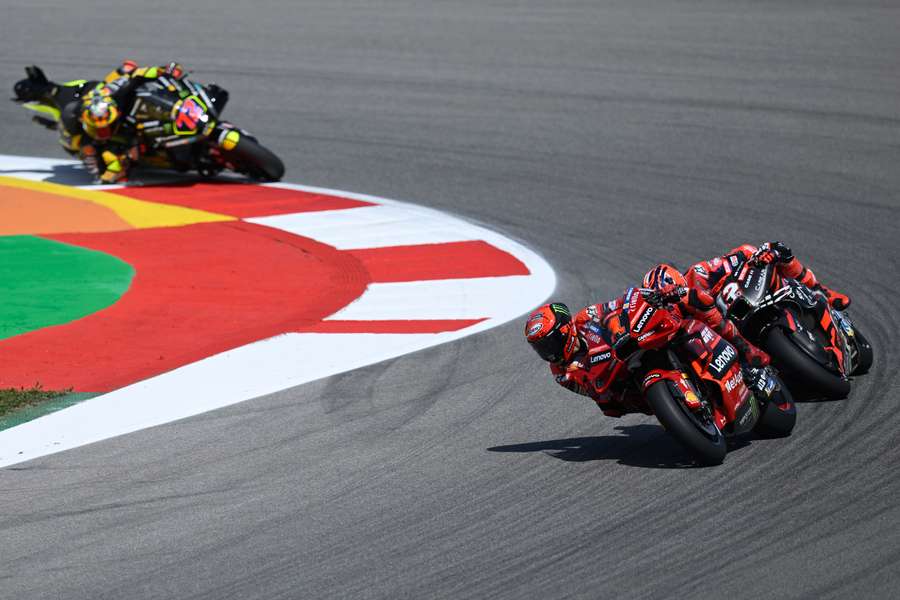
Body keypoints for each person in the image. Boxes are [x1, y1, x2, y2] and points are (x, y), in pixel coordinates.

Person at [524, 301, 647, 417]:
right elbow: (592, 394)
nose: (548, 351)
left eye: (550, 344)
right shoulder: (560, 373)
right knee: (610, 408)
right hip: (614, 380)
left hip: (627, 346)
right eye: (541, 347)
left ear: (565, 330)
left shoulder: (586, 316)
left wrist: (618, 329)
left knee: (611, 317)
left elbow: (622, 303)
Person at [74, 60, 188, 183]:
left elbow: (137, 74)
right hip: (123, 133)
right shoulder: (86, 121)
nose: (104, 132)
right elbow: (99, 167)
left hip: (132, 112)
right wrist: (104, 171)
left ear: (115, 112)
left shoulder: (118, 93)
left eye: (106, 127)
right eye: (100, 129)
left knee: (128, 69)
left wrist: (163, 71)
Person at [641, 263, 771, 367]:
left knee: (708, 313)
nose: (664, 297)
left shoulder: (696, 275)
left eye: (664, 289)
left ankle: (746, 348)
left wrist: (680, 293)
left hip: (729, 319)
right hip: (693, 349)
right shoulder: (662, 313)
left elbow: (706, 302)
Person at [684, 241, 851, 310]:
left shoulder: (700, 272)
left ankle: (820, 291)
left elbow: (741, 255)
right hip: (736, 317)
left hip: (753, 287)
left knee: (773, 249)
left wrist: (764, 255)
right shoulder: (687, 305)